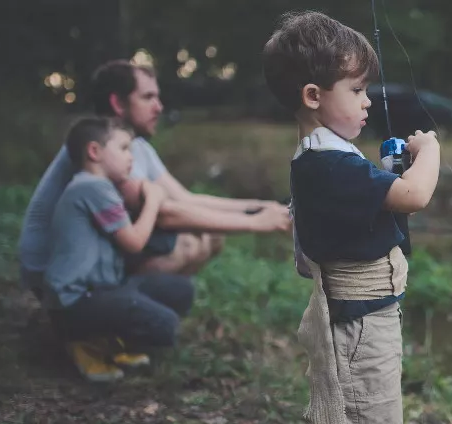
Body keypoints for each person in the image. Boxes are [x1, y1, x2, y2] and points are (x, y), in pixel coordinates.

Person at [262, 11, 441, 424]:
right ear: (312, 96)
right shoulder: (329, 163)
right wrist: (430, 149)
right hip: (360, 325)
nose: (367, 101)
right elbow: (415, 197)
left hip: (363, 317)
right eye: (357, 90)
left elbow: (381, 208)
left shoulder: (329, 155)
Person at [18, 59, 291, 296]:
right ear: (117, 102)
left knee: (210, 235)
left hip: (93, 255)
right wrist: (257, 223)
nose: (159, 107)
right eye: (148, 98)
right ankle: (109, 325)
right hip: (51, 270)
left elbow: (185, 198)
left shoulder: (135, 146)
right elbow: (166, 214)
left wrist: (260, 206)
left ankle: (141, 313)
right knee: (187, 243)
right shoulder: (102, 152)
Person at [42, 116, 194, 382]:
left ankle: (106, 338)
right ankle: (84, 343)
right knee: (164, 324)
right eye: (124, 149)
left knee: (182, 290)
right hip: (74, 303)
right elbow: (134, 241)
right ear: (94, 152)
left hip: (102, 291)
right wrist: (154, 200)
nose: (131, 158)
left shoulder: (98, 187)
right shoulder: (92, 187)